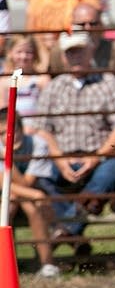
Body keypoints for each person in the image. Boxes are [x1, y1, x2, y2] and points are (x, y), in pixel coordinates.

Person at [29, 31, 115, 244]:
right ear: (63, 57)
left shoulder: (109, 83)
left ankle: (66, 229)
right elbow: (42, 129)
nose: (76, 57)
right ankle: (75, 226)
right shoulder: (54, 87)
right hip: (61, 157)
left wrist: (96, 157)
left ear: (91, 52)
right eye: (71, 53)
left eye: (80, 51)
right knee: (40, 175)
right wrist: (59, 159)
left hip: (100, 156)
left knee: (113, 168)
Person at [0, 110, 59, 277]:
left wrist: (6, 158)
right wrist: (35, 195)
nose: (7, 137)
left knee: (32, 208)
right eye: (1, 133)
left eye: (11, 132)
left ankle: (47, 264)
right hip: (14, 195)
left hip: (25, 192)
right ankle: (6, 265)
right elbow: (4, 183)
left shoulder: (37, 143)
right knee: (10, 205)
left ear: (21, 128)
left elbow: (26, 182)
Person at [46, 2, 115, 89]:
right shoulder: (59, 51)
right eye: (82, 24)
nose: (88, 28)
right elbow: (51, 80)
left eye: (93, 23)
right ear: (72, 26)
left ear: (101, 25)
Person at [0, 35, 50, 119]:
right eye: (19, 52)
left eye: (28, 52)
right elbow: (3, 112)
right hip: (14, 125)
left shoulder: (42, 79)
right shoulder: (4, 81)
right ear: (11, 53)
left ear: (35, 54)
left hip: (36, 125)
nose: (24, 56)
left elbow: (47, 108)